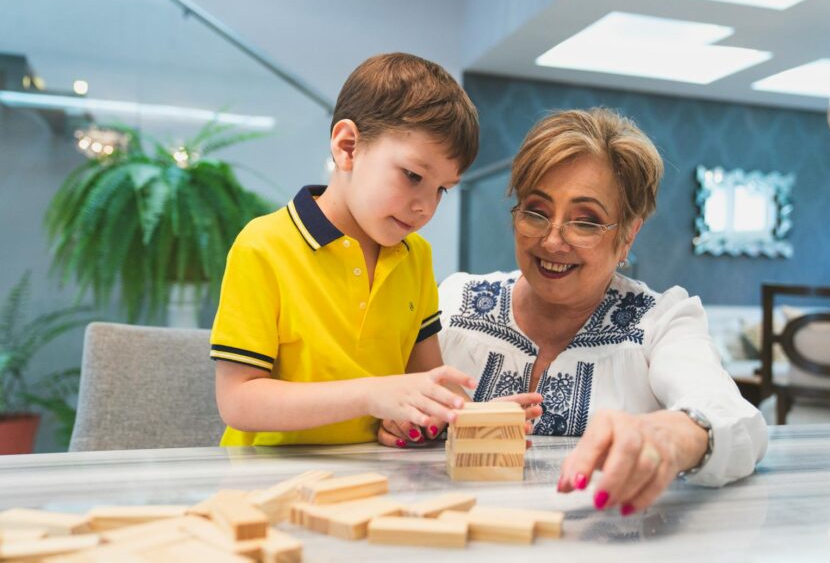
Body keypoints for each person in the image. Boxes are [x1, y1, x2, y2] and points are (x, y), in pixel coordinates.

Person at [436, 108, 768, 514]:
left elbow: (735, 420)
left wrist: (672, 436)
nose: (553, 240)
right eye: (537, 211)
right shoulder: (455, 304)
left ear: (628, 235)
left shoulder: (660, 321)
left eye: (586, 221)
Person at [210, 53, 482, 447]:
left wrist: (468, 415)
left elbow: (424, 381)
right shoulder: (262, 246)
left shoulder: (416, 256)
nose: (426, 205)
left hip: (373, 481)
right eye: (413, 176)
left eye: (442, 189)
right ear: (348, 147)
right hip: (264, 485)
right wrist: (373, 394)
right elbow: (237, 401)